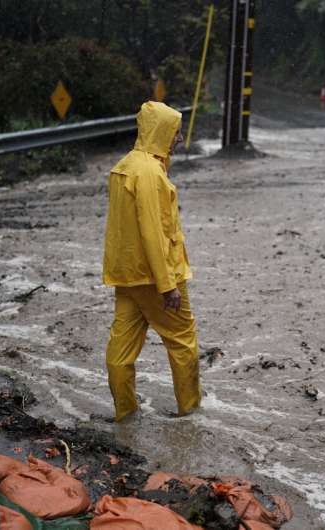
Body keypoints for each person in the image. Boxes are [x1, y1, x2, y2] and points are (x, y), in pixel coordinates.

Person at [102, 101, 200, 422]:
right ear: (159, 131)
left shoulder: (124, 166)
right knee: (183, 342)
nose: (179, 139)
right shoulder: (149, 174)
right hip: (157, 278)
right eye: (175, 132)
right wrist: (167, 284)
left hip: (127, 277)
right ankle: (190, 414)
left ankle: (125, 415)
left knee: (121, 350)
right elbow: (152, 232)